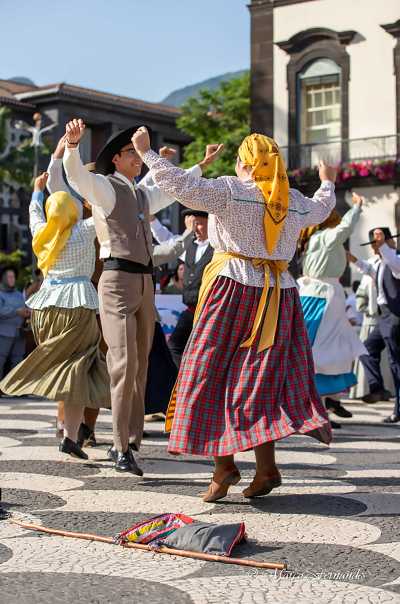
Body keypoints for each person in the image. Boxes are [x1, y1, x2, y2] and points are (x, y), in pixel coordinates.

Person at [132, 127, 335, 502]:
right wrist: (327, 181)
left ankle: (224, 466)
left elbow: (180, 186)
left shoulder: (231, 190)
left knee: (210, 372)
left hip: (232, 290)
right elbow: (322, 209)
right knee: (260, 379)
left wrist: (147, 153)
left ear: (246, 163)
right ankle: (265, 467)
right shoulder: (291, 200)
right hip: (280, 295)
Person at [63, 118, 214, 475]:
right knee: (124, 362)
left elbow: (170, 188)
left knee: (141, 366)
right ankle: (119, 447)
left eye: (137, 152)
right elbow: (78, 177)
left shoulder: (140, 193)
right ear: (115, 159)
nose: (137, 157)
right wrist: (72, 147)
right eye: (130, 152)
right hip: (117, 280)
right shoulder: (105, 187)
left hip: (145, 283)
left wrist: (201, 165)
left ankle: (131, 441)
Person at [0, 173, 110, 458]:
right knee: (79, 369)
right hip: (77, 306)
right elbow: (105, 212)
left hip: (45, 308)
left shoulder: (43, 234)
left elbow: (34, 214)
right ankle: (72, 432)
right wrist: (92, 200)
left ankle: (69, 435)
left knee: (67, 370)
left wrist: (38, 191)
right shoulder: (82, 231)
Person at [297, 195, 366, 427]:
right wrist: (357, 207)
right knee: (323, 352)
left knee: (328, 349)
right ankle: (320, 408)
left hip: (316, 296)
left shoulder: (311, 240)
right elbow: (345, 228)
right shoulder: (326, 237)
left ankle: (326, 404)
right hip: (323, 298)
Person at [348, 227, 400, 423]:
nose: (376, 248)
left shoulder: (396, 258)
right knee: (366, 349)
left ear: (390, 241)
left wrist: (383, 245)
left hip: (394, 315)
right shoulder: (379, 263)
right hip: (383, 316)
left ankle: (398, 409)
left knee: (396, 363)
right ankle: (377, 388)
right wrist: (351, 258)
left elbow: (394, 264)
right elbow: (369, 269)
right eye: (375, 245)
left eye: (379, 243)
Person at [151, 209, 213, 366]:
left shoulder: (218, 248)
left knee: (205, 351)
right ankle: (181, 378)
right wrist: (151, 219)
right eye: (192, 225)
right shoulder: (189, 247)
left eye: (198, 224)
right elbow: (166, 239)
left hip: (209, 311)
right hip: (191, 310)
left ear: (210, 223)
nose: (195, 229)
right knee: (174, 346)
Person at [349, 270, 394, 400]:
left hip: (389, 319)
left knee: (394, 359)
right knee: (367, 350)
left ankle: (383, 391)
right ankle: (377, 389)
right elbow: (360, 302)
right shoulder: (372, 272)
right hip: (377, 321)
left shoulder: (392, 265)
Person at [0, 267, 29, 379]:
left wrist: (27, 312)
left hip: (19, 333)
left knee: (18, 361)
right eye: (9, 277)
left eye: (13, 277)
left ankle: (15, 386)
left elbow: (24, 307)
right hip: (4, 334)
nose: (12, 279)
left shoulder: (18, 294)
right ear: (3, 278)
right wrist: (16, 311)